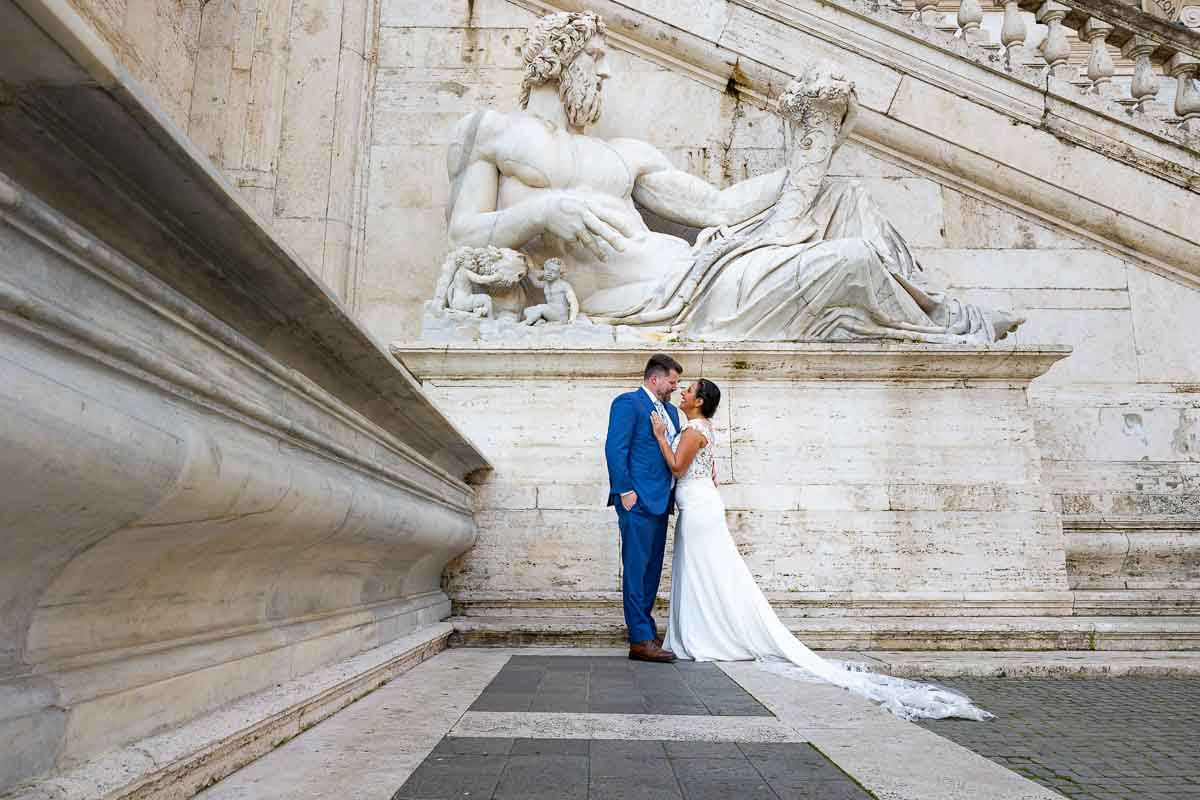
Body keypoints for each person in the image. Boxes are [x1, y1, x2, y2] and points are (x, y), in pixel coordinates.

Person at [650, 379, 994, 721]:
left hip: (698, 507)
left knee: (702, 569)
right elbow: (711, 474)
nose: (684, 392)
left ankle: (705, 636)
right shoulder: (701, 427)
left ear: (699, 401)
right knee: (703, 570)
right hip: (698, 503)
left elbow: (679, 468)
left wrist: (662, 439)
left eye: (689, 389)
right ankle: (704, 632)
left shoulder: (694, 430)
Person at [604, 353, 684, 662]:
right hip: (636, 501)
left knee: (651, 572)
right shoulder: (628, 403)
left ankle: (646, 633)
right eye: (672, 381)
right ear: (656, 378)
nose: (675, 387)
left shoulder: (673, 414)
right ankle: (639, 638)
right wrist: (624, 490)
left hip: (662, 502)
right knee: (636, 570)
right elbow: (615, 447)